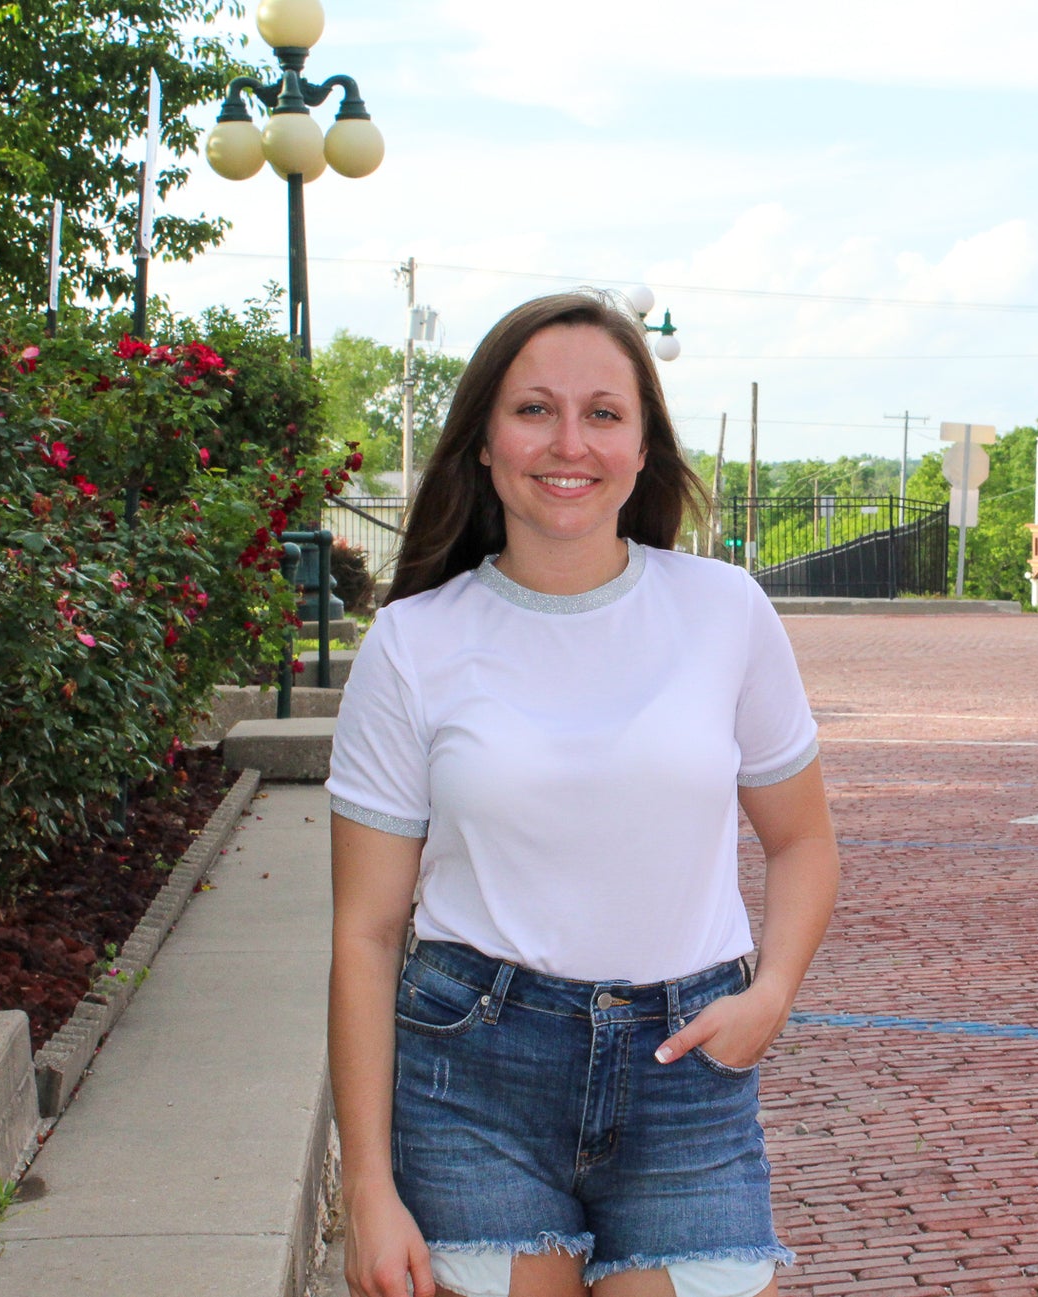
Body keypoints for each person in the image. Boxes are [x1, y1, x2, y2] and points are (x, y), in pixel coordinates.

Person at [325, 290, 839, 1297]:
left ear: (643, 447)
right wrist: (367, 1190)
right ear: (482, 441)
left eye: (603, 413)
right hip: (472, 1072)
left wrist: (769, 994)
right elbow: (365, 933)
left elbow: (803, 841)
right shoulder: (413, 643)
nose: (569, 442)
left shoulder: (723, 611)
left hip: (687, 1075)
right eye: (533, 410)